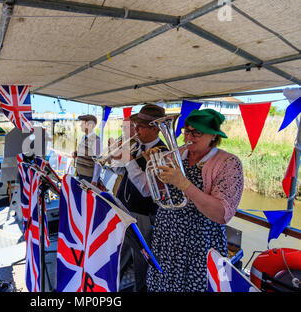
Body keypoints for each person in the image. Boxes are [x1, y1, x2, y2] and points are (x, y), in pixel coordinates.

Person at [146, 108, 244, 292]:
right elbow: (159, 194)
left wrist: (183, 183)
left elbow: (222, 213)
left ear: (213, 136)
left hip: (200, 242)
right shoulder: (175, 157)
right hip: (166, 237)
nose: (188, 136)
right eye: (187, 130)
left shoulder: (229, 163)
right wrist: (157, 176)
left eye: (197, 132)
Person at [111, 103, 168, 292]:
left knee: (140, 257)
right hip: (124, 206)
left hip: (142, 213)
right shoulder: (137, 146)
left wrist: (128, 159)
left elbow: (146, 188)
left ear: (155, 128)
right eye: (135, 125)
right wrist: (116, 156)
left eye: (140, 126)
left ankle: (142, 288)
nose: (135, 130)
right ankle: (117, 285)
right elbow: (118, 170)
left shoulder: (162, 152)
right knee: (122, 251)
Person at [72, 114, 101, 186]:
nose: (80, 125)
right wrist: (77, 153)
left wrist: (94, 180)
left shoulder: (96, 140)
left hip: (89, 178)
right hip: (80, 175)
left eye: (83, 123)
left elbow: (98, 162)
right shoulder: (83, 137)